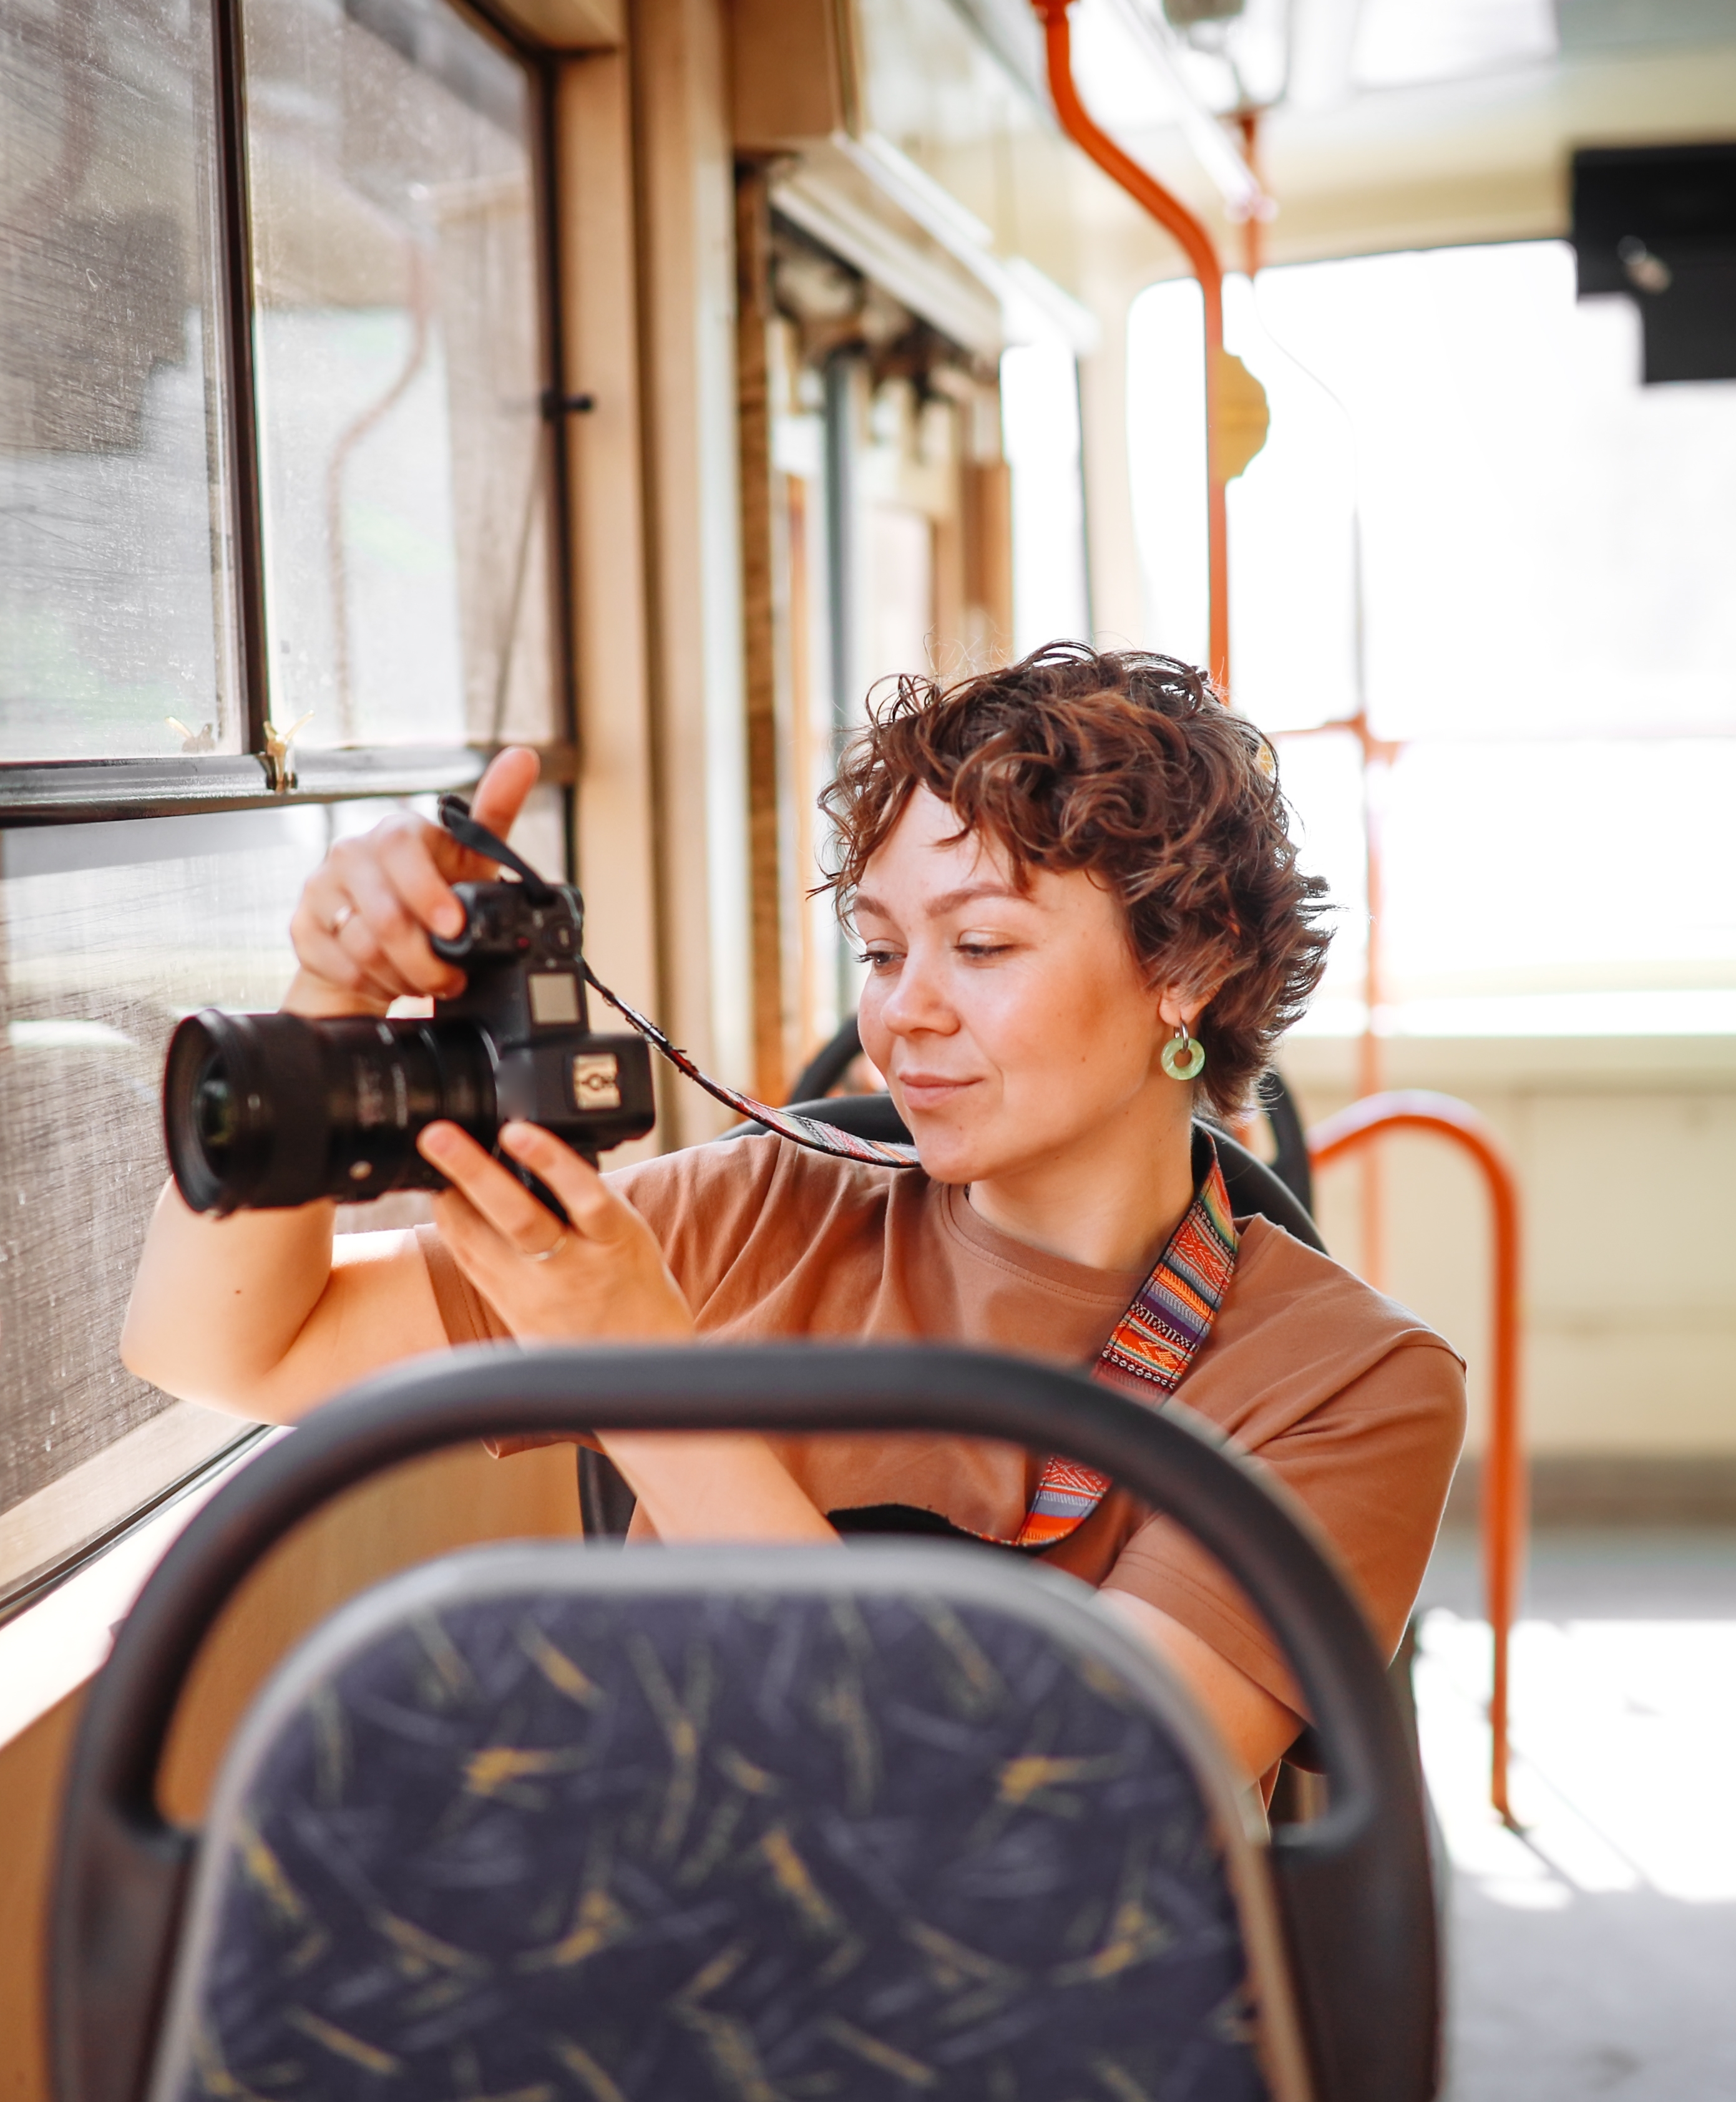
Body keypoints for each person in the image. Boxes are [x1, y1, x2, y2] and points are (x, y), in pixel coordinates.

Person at [122, 645, 1466, 1781]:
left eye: (981, 945)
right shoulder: (763, 1202)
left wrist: (641, 1371)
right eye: (881, 949)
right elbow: (231, 1344)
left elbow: (1063, 1823)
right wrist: (325, 996)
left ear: (1188, 965)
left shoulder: (1351, 1385)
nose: (903, 1011)